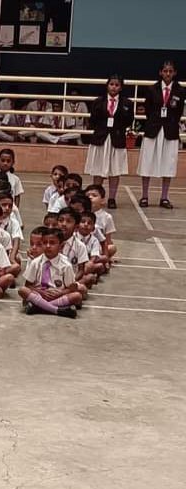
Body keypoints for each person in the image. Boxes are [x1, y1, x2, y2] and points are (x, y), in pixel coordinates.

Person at [137, 60, 185, 209]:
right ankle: (145, 196)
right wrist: (156, 121)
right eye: (165, 71)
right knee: (147, 162)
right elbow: (148, 109)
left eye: (170, 71)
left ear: (175, 73)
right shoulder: (152, 89)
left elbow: (178, 111)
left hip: (170, 130)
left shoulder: (180, 90)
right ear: (160, 72)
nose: (168, 74)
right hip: (153, 129)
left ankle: (164, 197)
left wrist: (169, 122)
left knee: (168, 163)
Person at [84, 75, 134, 209]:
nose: (114, 87)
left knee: (115, 170)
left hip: (117, 139)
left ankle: (112, 198)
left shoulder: (127, 103)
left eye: (117, 85)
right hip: (101, 138)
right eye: (111, 84)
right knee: (98, 169)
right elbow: (93, 120)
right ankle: (96, 196)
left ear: (121, 87)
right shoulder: (98, 102)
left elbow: (129, 121)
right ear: (107, 86)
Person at [18, 227, 81, 318]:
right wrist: (41, 292)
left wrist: (60, 293)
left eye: (52, 243)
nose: (48, 246)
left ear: (61, 246)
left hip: (57, 296)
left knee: (77, 296)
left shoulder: (66, 265)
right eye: (44, 243)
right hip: (40, 295)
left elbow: (71, 288)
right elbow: (28, 285)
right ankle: (57, 310)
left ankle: (38, 308)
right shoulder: (35, 262)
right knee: (22, 290)